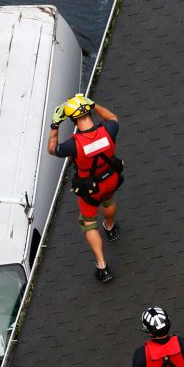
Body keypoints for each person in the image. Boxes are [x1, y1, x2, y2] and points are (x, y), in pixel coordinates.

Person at [46, 93, 123, 283]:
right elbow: (113, 117)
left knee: (89, 223)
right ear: (88, 111)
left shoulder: (73, 145)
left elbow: (52, 148)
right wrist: (93, 104)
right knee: (109, 201)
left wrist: (55, 125)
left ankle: (102, 266)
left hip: (90, 189)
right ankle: (111, 228)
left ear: (72, 119)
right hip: (110, 179)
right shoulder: (108, 130)